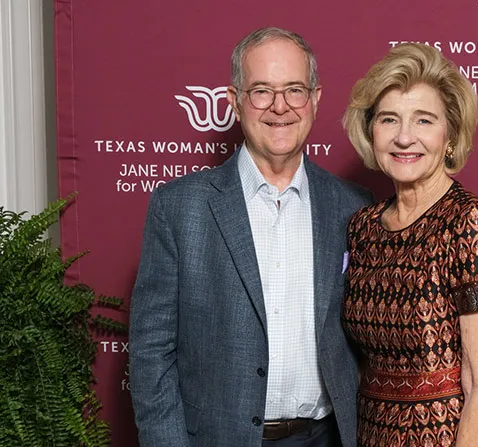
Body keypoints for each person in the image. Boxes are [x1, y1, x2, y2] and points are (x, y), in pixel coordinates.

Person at [129, 27, 372, 447]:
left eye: (295, 90)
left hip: (326, 438)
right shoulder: (179, 207)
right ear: (234, 102)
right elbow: (151, 353)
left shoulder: (353, 207)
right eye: (261, 91)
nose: (280, 107)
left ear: (315, 99)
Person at [341, 43, 478, 446]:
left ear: (450, 135)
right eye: (389, 120)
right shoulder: (363, 227)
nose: (404, 137)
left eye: (423, 120)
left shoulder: (471, 223)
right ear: (371, 131)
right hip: (373, 434)